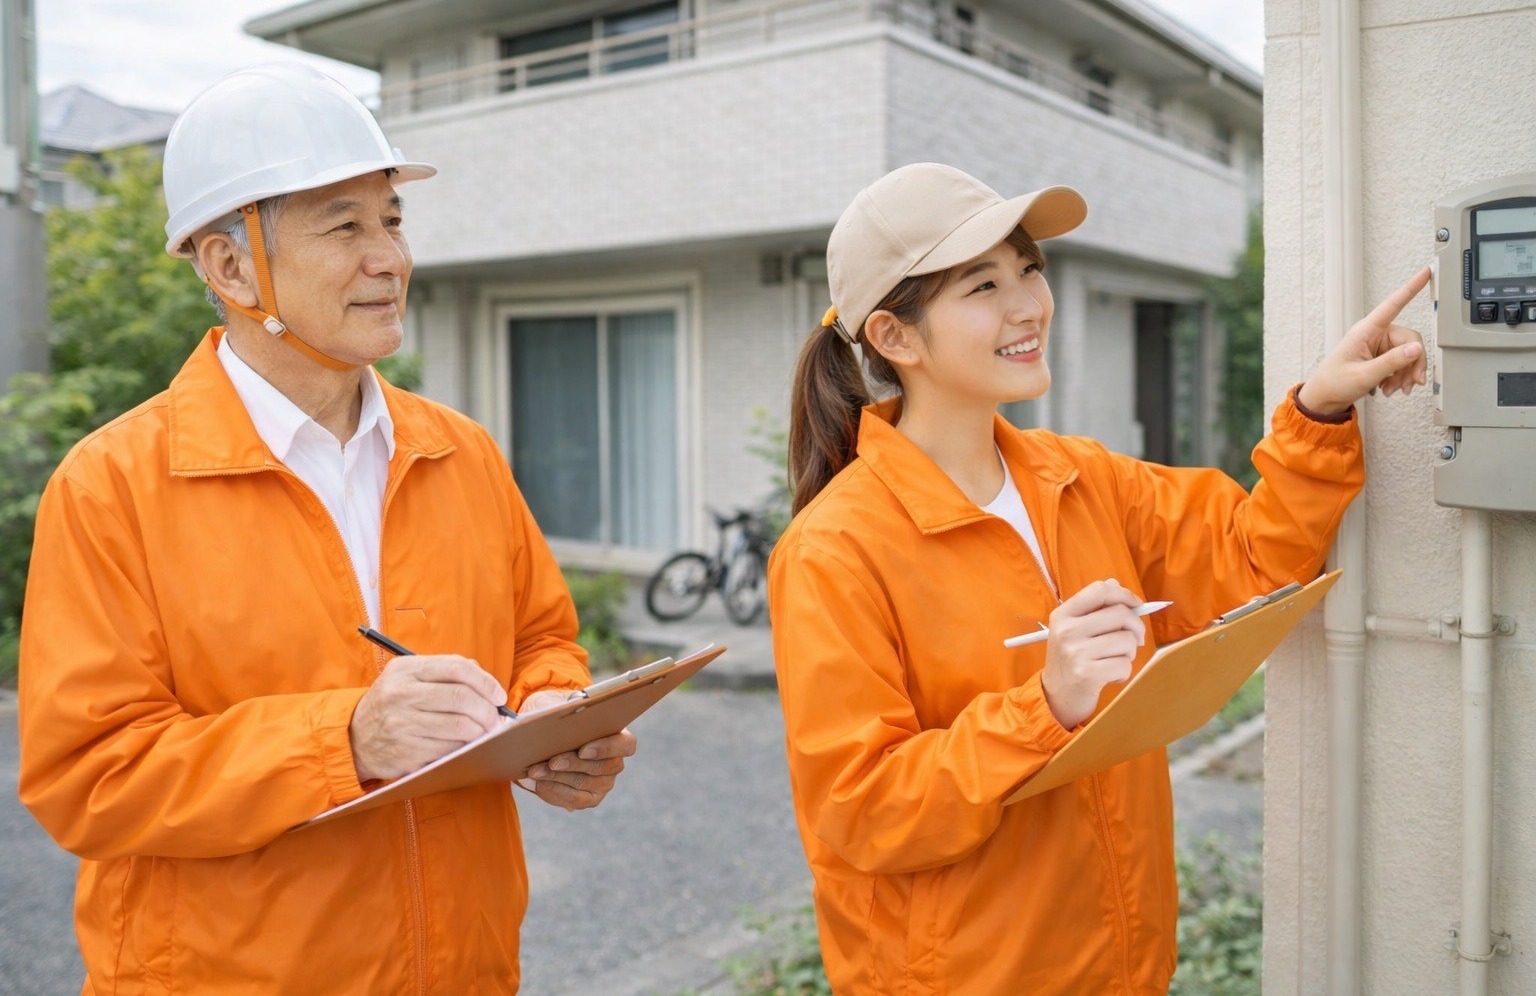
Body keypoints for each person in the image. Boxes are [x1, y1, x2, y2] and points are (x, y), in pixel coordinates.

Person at [16, 64, 635, 994]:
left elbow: (540, 640)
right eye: (344, 227)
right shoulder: (114, 486)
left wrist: (554, 717)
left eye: (392, 219)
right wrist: (344, 740)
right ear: (229, 266)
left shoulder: (460, 452)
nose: (390, 258)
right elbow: (89, 777)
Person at [768, 162, 1428, 994]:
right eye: (983, 285)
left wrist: (1322, 408)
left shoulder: (1080, 477)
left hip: (1123, 965)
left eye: (1029, 269)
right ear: (896, 338)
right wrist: (1046, 706)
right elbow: (862, 812)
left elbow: (1248, 557)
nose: (1028, 305)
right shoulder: (833, 550)